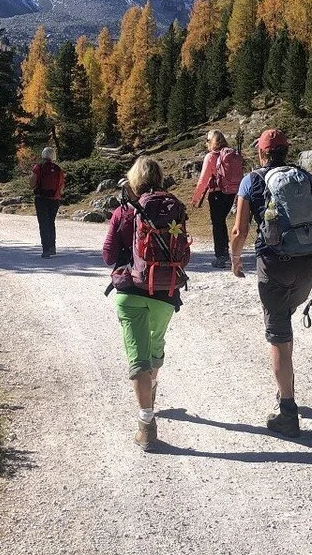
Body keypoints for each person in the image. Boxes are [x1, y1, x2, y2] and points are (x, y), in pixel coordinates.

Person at [231, 129, 312, 437]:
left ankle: (287, 411)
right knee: (285, 323)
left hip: (274, 264)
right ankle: (285, 391)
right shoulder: (306, 178)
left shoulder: (250, 181)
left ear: (261, 153)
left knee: (278, 333)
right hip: (308, 264)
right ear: (286, 151)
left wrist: (235, 259)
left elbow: (239, 230)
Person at [103, 156, 188, 451]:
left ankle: (146, 424)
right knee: (154, 348)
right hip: (165, 292)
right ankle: (151, 388)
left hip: (131, 291)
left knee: (137, 356)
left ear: (134, 180)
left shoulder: (125, 211)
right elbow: (184, 256)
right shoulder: (173, 208)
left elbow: (108, 254)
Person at [191, 130, 244, 268]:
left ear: (212, 141)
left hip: (217, 194)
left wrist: (196, 198)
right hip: (232, 192)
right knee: (223, 223)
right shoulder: (231, 154)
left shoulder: (210, 157)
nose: (206, 143)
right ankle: (227, 252)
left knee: (217, 224)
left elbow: (203, 180)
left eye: (208, 140)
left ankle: (221, 256)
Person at [31, 147, 64, 259]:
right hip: (54, 199)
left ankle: (46, 250)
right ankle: (52, 247)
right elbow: (61, 186)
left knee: (43, 224)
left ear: (43, 155)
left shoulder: (38, 167)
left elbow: (32, 183)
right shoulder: (58, 169)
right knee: (51, 222)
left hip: (41, 198)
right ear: (53, 156)